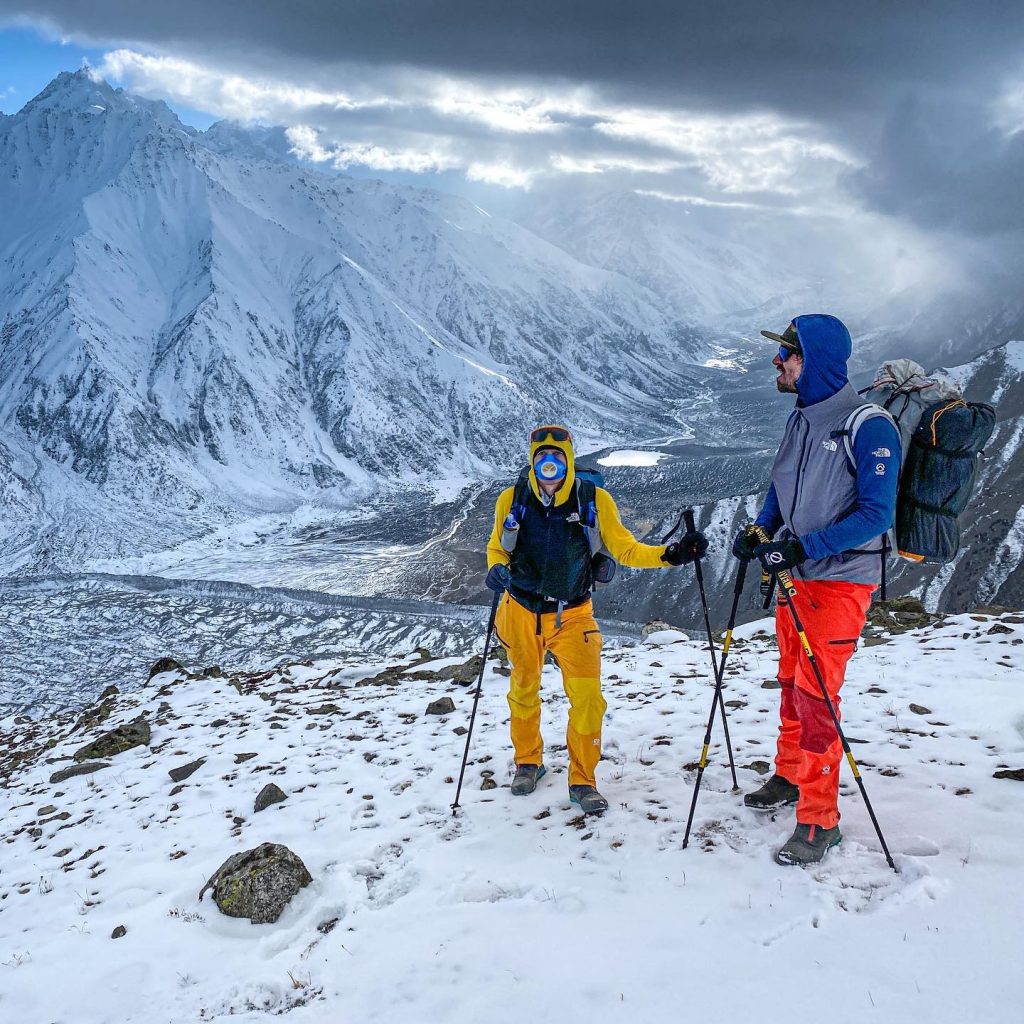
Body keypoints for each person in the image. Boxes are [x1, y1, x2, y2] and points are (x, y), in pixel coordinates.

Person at [732, 315, 901, 865]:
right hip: (796, 577)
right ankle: (789, 775)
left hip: (839, 583)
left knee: (816, 698)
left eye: (787, 354)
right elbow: (780, 488)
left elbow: (877, 515)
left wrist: (805, 548)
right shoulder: (801, 419)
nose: (776, 363)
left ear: (816, 360)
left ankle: (818, 819)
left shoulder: (866, 426)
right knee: (790, 681)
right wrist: (762, 529)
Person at [485, 424, 708, 815]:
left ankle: (582, 781)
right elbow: (497, 547)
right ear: (532, 462)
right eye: (541, 457)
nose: (549, 464)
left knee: (588, 700)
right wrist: (496, 568)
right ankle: (528, 763)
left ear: (568, 461)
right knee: (522, 690)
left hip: (573, 615)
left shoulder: (593, 499)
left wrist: (670, 555)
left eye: (557, 457)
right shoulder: (512, 499)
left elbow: (625, 549)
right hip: (519, 610)